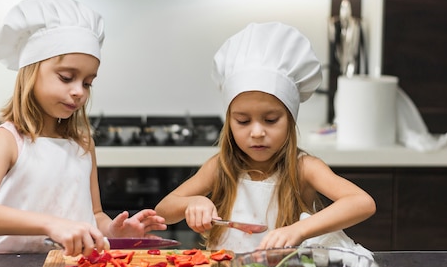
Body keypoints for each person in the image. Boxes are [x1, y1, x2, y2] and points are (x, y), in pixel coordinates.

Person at [0, 0, 166, 256]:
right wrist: (50, 224)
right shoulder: (9, 140)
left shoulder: (82, 143)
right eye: (67, 78)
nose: (79, 91)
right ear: (31, 74)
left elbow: (94, 214)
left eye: (88, 83)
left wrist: (112, 231)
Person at [155, 22, 376, 254]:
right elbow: (163, 210)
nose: (257, 132)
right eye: (242, 121)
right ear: (229, 122)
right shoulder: (220, 167)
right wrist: (192, 203)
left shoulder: (304, 168)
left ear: (290, 121)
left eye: (270, 120)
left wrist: (299, 230)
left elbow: (362, 202)